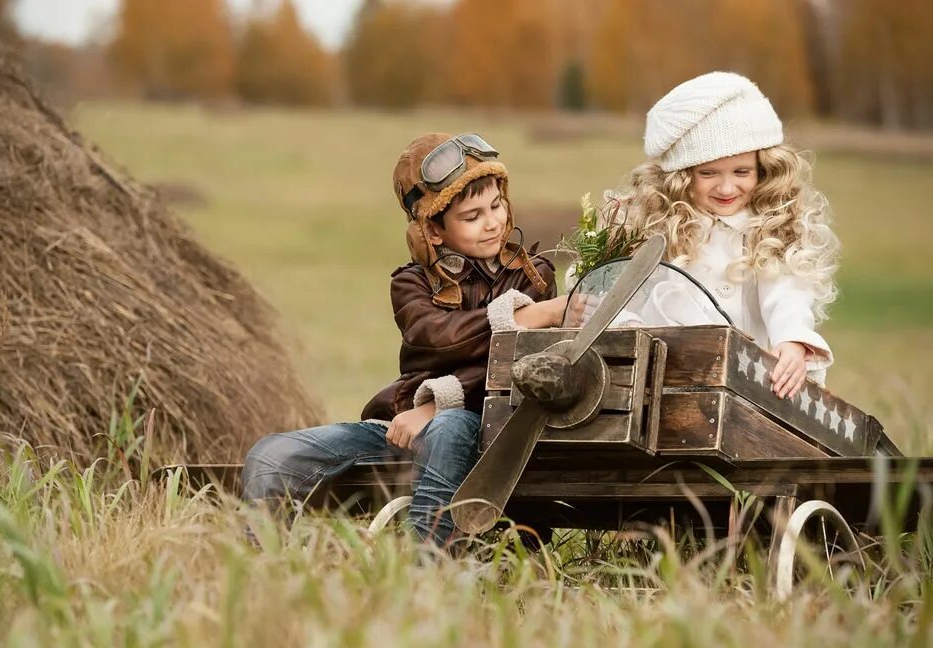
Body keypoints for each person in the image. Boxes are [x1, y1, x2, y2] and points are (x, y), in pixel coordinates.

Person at [242, 132, 566, 547]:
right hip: (404, 426)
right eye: (472, 216)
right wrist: (526, 316)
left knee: (449, 426)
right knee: (271, 455)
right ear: (433, 230)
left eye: (496, 205)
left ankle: (423, 576)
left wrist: (436, 405)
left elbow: (519, 367)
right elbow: (435, 337)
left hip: (490, 431)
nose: (493, 222)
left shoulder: (532, 276)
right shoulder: (410, 283)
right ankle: (263, 571)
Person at [570, 71, 840, 399]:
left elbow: (786, 292)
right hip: (658, 383)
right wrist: (626, 330)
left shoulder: (769, 227)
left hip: (742, 388)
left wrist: (792, 340)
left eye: (742, 172)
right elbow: (615, 290)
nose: (727, 188)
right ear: (682, 176)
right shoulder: (657, 225)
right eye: (708, 173)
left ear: (764, 169)